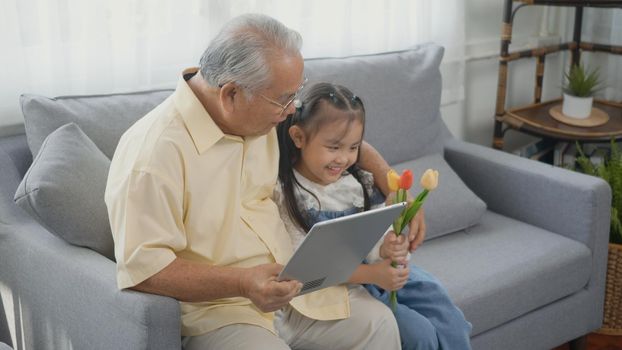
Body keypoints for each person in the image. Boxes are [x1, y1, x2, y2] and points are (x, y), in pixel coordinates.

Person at [105, 13, 423, 350]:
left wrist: (396, 189)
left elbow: (339, 141)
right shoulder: (154, 155)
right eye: (285, 99)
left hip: (296, 293)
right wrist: (243, 283)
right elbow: (145, 270)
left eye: (295, 95)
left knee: (378, 325)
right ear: (230, 95)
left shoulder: (263, 114)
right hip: (221, 311)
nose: (292, 110)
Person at [274, 82, 473, 350]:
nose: (344, 158)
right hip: (354, 283)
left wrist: (390, 245)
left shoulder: (360, 181)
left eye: (353, 147)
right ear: (298, 137)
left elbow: (379, 233)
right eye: (333, 147)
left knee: (453, 322)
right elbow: (308, 267)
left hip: (383, 274)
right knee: (419, 334)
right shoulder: (289, 194)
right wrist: (373, 273)